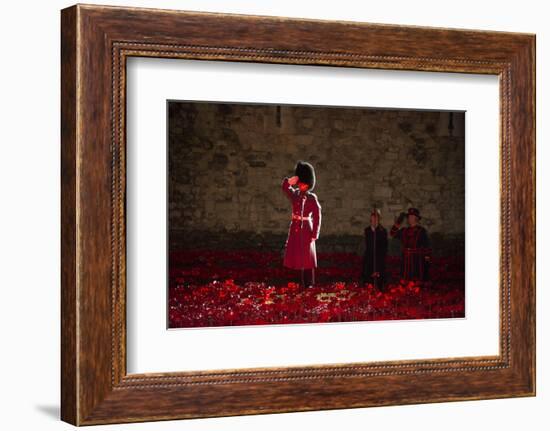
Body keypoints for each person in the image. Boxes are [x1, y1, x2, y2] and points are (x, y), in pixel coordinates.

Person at [281, 161, 322, 288]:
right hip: (295, 229)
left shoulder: (311, 198)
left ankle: (309, 284)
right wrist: (290, 181)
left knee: (307, 260)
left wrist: (315, 233)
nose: (301, 186)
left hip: (306, 231)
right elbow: (285, 188)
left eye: (303, 183)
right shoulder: (296, 195)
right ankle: (298, 284)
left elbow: (317, 215)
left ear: (308, 183)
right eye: (300, 183)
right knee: (296, 258)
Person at [390, 207, 431, 282]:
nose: (410, 218)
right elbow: (392, 233)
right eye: (409, 216)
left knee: (416, 279)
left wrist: (426, 258)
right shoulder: (404, 230)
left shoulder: (421, 231)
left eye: (412, 216)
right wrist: (399, 221)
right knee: (405, 279)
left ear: (416, 218)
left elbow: (426, 245)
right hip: (405, 258)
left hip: (417, 259)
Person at [361, 208, 388, 289]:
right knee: (368, 277)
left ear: (378, 220)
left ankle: (379, 289)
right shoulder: (367, 230)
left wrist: (381, 256)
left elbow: (384, 246)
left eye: (376, 219)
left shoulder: (382, 231)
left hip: (379, 258)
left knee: (378, 277)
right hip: (369, 257)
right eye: (372, 220)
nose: (374, 221)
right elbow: (366, 244)